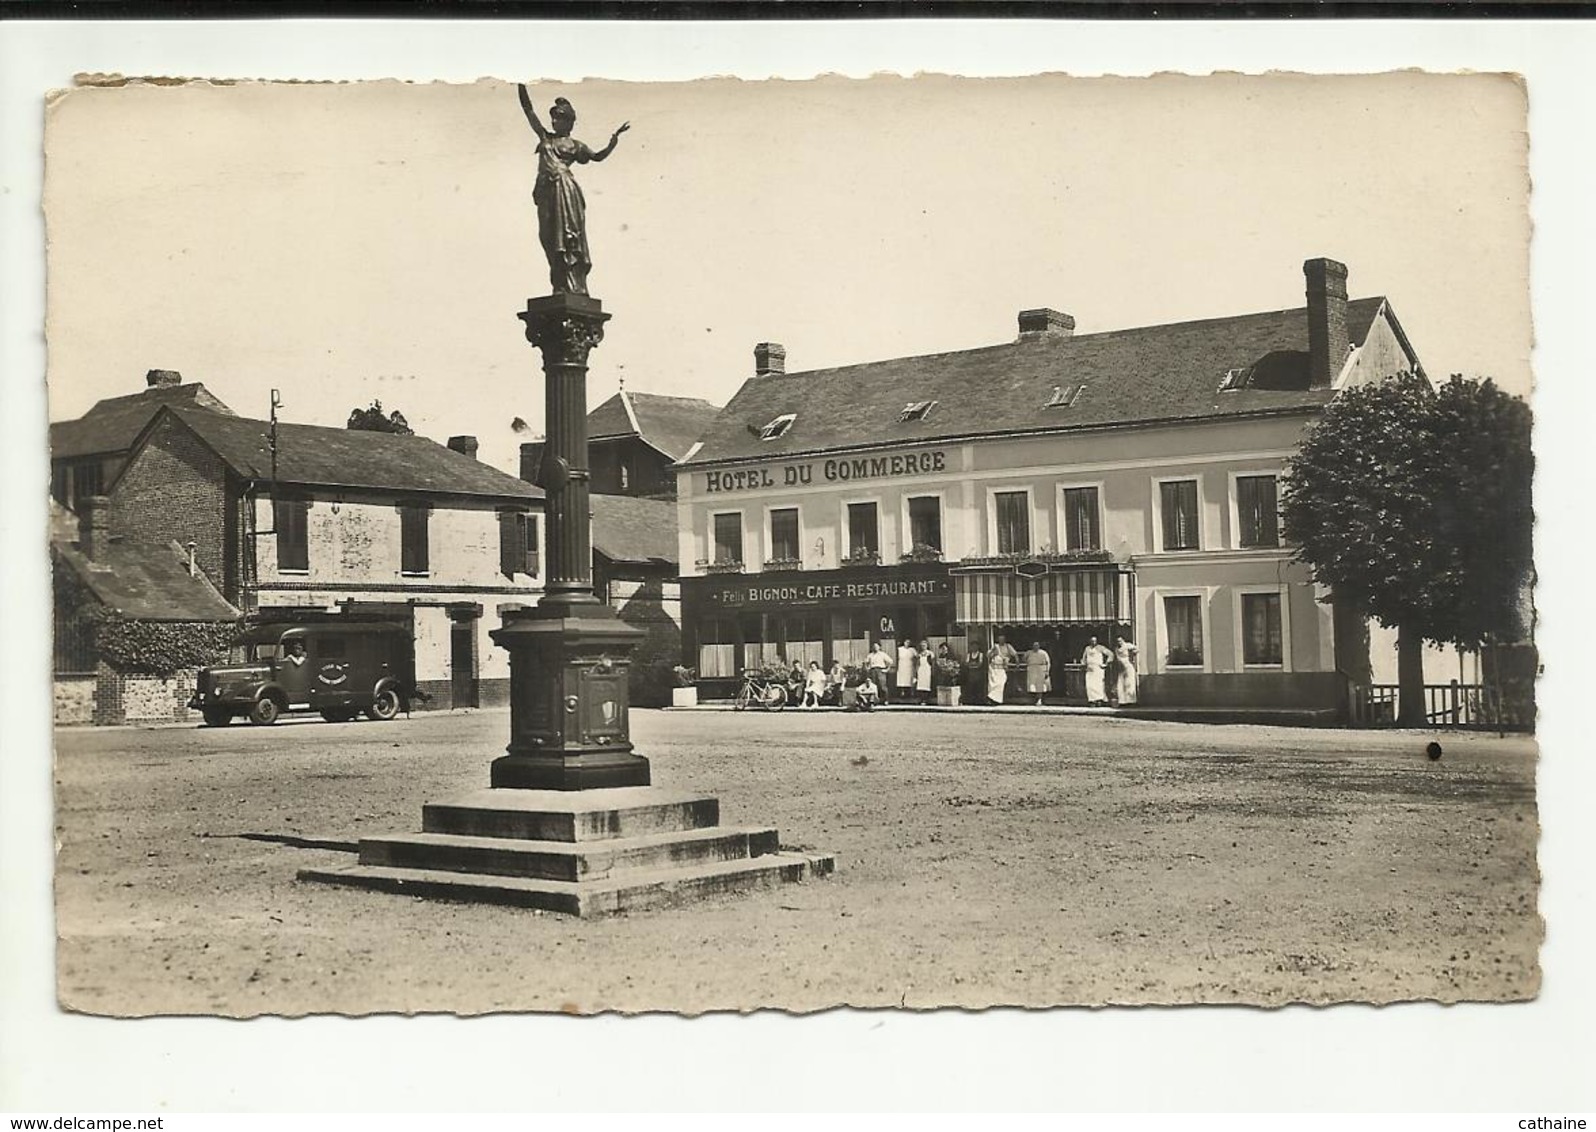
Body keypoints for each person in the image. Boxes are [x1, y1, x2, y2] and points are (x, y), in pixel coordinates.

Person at [516, 84, 630, 296]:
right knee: (547, 237)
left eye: (559, 118)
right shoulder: (545, 137)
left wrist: (613, 142)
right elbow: (529, 111)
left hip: (565, 191)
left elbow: (597, 157)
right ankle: (559, 283)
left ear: (569, 121)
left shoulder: (576, 145)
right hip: (546, 192)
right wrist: (520, 83)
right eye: (553, 118)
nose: (554, 121)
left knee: (567, 238)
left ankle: (571, 285)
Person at [1080, 636, 1113, 706]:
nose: (1093, 642)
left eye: (1095, 641)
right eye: (1092, 641)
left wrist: (1106, 664)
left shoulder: (1100, 648)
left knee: (1098, 685)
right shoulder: (1087, 648)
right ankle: (1092, 700)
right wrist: (1084, 663)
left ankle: (1099, 699)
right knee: (1090, 685)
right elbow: (1084, 657)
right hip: (1090, 669)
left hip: (1098, 669)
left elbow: (1110, 654)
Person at [986, 634, 1016, 705]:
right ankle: (991, 699)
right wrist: (993, 652)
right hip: (994, 669)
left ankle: (997, 700)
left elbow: (1015, 654)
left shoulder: (1008, 646)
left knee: (1001, 684)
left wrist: (1016, 663)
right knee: (992, 684)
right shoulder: (995, 647)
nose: (1001, 641)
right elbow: (988, 656)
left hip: (1002, 669)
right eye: (1000, 639)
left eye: (1002, 639)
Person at [1024, 642, 1052, 706]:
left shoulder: (1043, 653)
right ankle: (1033, 699)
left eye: (1037, 646)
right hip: (1032, 669)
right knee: (1032, 684)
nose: (1035, 647)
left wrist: (1047, 671)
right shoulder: (1029, 653)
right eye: (1034, 646)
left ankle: (1039, 699)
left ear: (1039, 646)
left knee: (1040, 685)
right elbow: (1024, 659)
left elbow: (1048, 662)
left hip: (1041, 669)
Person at [1114, 636, 1140, 706]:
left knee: (1129, 683)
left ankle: (1131, 701)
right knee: (1121, 684)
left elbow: (1136, 649)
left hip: (1128, 665)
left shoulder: (1127, 645)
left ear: (1123, 640)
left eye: (1120, 641)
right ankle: (1122, 701)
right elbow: (1117, 658)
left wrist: (1133, 655)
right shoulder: (1116, 649)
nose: (1119, 642)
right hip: (1121, 667)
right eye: (1118, 641)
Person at [916, 640, 935, 705]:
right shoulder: (919, 654)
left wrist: (932, 670)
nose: (923, 647)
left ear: (927, 646)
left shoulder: (930, 653)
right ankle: (921, 699)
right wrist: (917, 671)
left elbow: (932, 663)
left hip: (927, 670)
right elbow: (918, 663)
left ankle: (925, 699)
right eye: (922, 646)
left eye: (924, 645)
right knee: (921, 684)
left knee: (926, 684)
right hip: (921, 670)